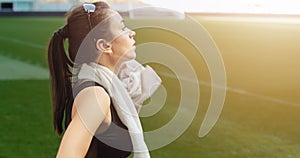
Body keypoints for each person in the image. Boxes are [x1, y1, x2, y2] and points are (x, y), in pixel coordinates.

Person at [47, 2, 161, 158]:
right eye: (122, 28)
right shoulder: (95, 96)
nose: (131, 32)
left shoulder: (113, 89)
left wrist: (136, 96)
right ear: (104, 45)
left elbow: (114, 138)